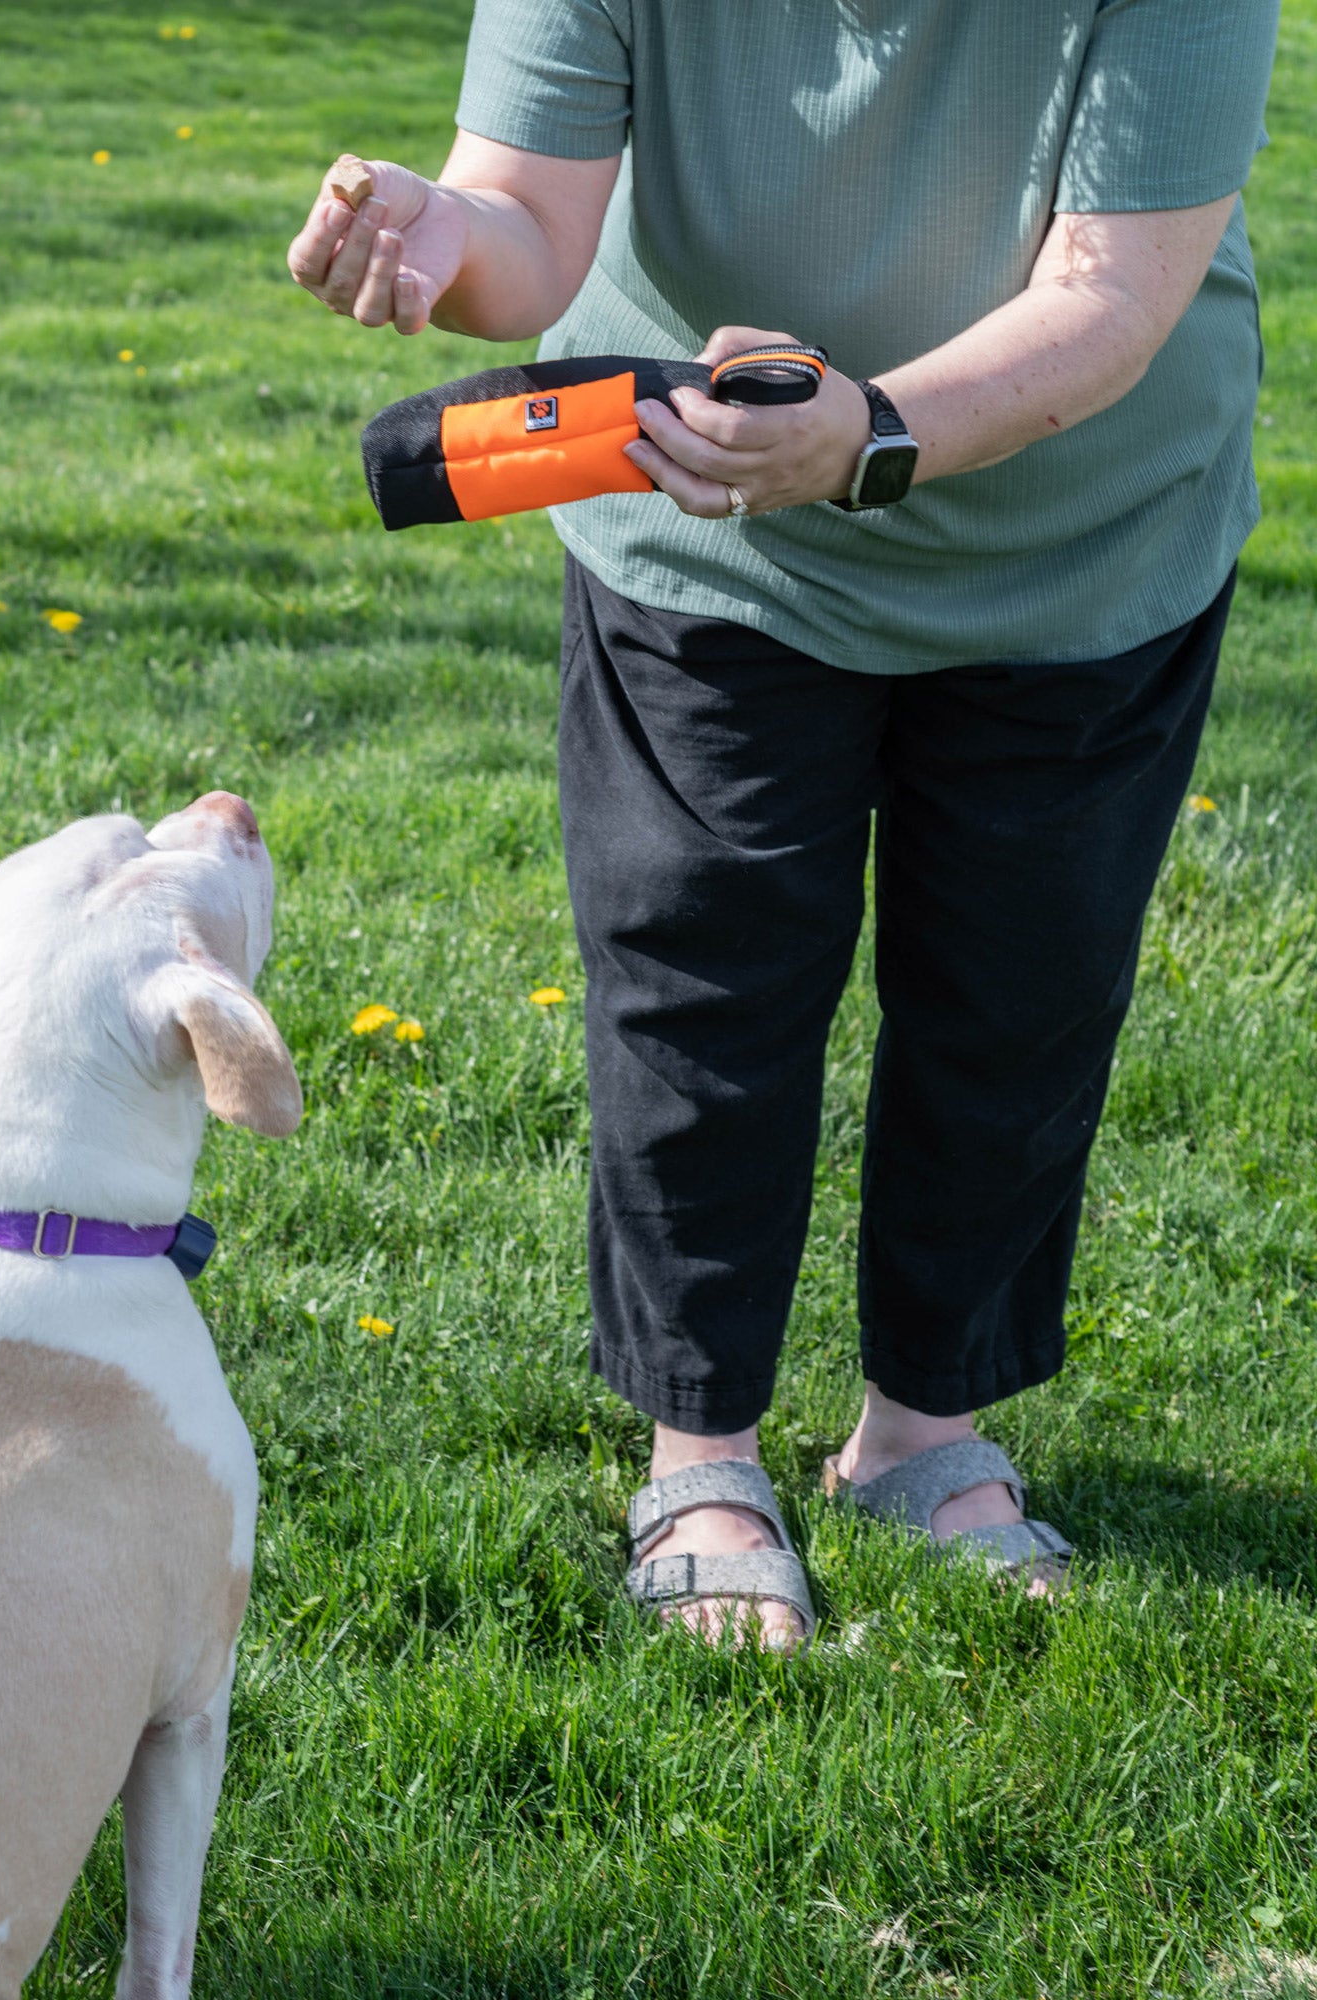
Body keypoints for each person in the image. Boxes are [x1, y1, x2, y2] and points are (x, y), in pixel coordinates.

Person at [287, 0, 1280, 1648]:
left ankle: (925, 1434)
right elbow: (524, 227)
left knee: (1019, 998)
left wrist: (869, 433)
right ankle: (702, 1452)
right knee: (699, 976)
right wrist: (433, 231)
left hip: (1081, 546)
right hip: (710, 532)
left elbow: (1108, 299)